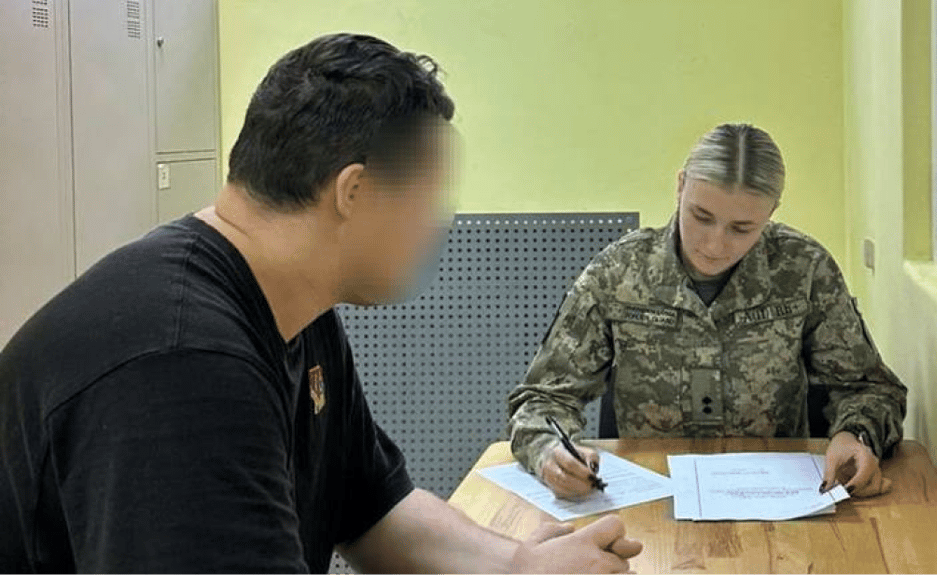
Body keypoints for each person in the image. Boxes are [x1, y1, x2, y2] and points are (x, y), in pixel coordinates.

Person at [0, 34, 641, 574]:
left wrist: (518, 565)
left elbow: (372, 508)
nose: (437, 227)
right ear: (353, 192)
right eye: (429, 198)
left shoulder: (296, 312)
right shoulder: (182, 365)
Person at [508, 123, 908, 500]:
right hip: (652, 499)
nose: (715, 245)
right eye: (701, 217)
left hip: (774, 499)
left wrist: (855, 435)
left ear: (772, 211)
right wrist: (550, 453)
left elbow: (869, 389)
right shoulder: (618, 273)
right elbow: (543, 399)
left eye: (741, 228)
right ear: (680, 186)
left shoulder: (802, 270)